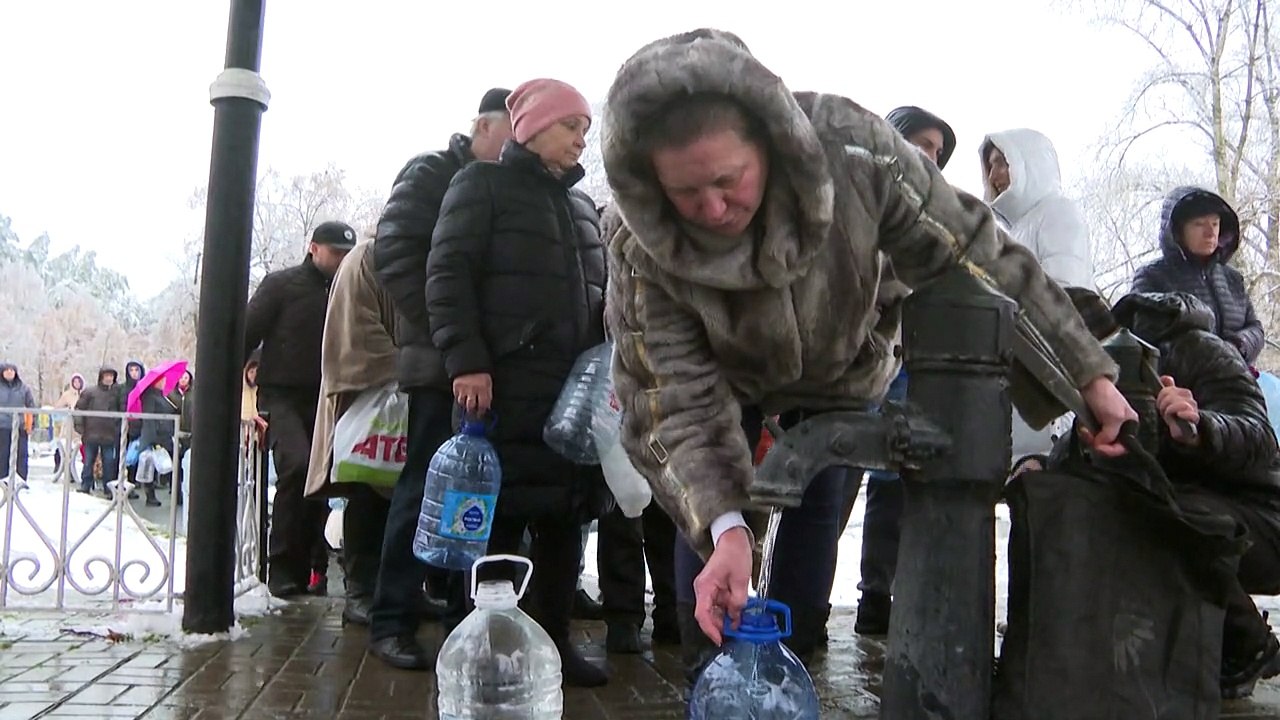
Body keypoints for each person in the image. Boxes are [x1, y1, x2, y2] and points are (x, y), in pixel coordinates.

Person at [597, 29, 1135, 675]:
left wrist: (1088, 374)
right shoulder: (637, 242)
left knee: (812, 536)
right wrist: (725, 529)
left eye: (728, 180)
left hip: (846, 372)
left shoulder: (856, 151)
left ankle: (787, 669)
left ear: (770, 139)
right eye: (686, 196)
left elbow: (972, 252)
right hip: (724, 390)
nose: (713, 209)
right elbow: (670, 398)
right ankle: (712, 679)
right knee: (713, 551)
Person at [426, 78, 609, 687]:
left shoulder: (582, 208)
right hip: (500, 390)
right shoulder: (481, 185)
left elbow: (597, 296)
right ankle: (482, 650)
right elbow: (447, 274)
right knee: (492, 527)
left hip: (567, 400)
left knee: (564, 526)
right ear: (530, 127)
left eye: (586, 128)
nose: (582, 138)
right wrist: (467, 362)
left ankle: (551, 649)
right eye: (570, 126)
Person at [1067, 288, 1280, 699]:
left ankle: (1248, 641)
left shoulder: (1201, 352)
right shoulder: (1111, 377)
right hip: (1209, 515)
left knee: (1152, 510)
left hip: (1263, 520)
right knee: (1102, 501)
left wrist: (1199, 428)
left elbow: (1259, 439)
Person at [369, 87, 512, 670]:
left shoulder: (509, 188)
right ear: (482, 125)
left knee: (476, 499)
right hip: (439, 366)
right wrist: (454, 337)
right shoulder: (433, 173)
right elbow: (397, 254)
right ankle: (390, 620)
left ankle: (462, 617)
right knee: (423, 490)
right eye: (511, 130)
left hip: (492, 370)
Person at [836, 104, 957, 636]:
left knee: (891, 484)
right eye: (920, 143)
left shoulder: (938, 214)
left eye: (937, 151)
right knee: (831, 474)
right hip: (849, 362)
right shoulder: (857, 190)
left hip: (906, 363)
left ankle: (876, 596)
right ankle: (797, 594)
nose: (928, 156)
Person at [245, 220, 357, 598]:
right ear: (314, 248)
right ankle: (281, 567)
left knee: (323, 479)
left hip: (328, 397)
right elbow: (245, 335)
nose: (341, 259)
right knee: (297, 465)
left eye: (347, 254)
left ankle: (313, 567)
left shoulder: (349, 290)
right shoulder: (281, 285)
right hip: (281, 396)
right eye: (335, 252)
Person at [981, 128, 1096, 467]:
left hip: (1050, 368)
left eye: (1003, 162)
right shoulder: (1014, 231)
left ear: (1029, 162)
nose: (994, 175)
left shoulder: (1058, 212)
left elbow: (1065, 292)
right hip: (1022, 367)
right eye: (990, 165)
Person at [304, 236, 399, 628]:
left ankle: (393, 588)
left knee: (400, 501)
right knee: (367, 492)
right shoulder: (367, 259)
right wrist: (409, 363)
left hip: (407, 395)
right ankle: (359, 590)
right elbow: (355, 337)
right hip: (371, 401)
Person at [1132, 187, 1265, 366]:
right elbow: (1146, 339)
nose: (1210, 233)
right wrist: (1208, 354)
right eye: (1199, 224)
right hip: (1182, 387)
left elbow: (1255, 328)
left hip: (1238, 382)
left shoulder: (1233, 279)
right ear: (1178, 231)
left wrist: (1237, 346)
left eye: (1215, 224)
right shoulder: (1152, 277)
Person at [74, 367, 122, 495]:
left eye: (111, 376)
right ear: (101, 377)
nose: (109, 378)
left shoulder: (116, 394)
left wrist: (117, 427)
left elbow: (121, 410)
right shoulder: (90, 392)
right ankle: (85, 485)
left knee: (108, 463)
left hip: (109, 434)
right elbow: (79, 409)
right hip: (91, 433)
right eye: (106, 376)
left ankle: (108, 487)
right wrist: (80, 428)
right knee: (88, 461)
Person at [0, 363, 36, 481]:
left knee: (21, 455)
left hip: (19, 426)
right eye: (7, 370)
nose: (9, 372)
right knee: (3, 455)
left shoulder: (23, 388)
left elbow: (31, 406)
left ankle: (21, 480)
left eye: (12, 370)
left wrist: (31, 424)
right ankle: (2, 480)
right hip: (2, 426)